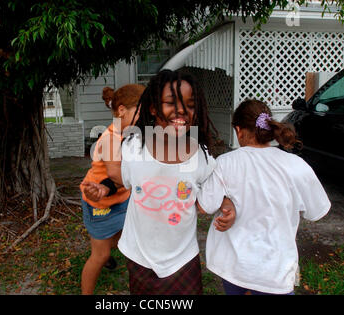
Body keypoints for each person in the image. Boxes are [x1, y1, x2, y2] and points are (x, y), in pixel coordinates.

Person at [87, 69, 235, 295]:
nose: (183, 110)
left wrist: (227, 204)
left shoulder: (200, 156)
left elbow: (212, 187)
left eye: (191, 104)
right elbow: (126, 180)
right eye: (170, 102)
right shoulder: (133, 147)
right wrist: (104, 186)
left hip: (182, 259)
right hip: (139, 255)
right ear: (153, 107)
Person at [197, 99, 331, 295]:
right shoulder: (297, 165)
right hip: (276, 273)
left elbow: (204, 205)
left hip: (234, 269)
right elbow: (317, 211)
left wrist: (226, 199)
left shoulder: (226, 163)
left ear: (238, 130)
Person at [79, 83, 145, 295]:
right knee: (100, 256)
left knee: (124, 239)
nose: (143, 119)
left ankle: (106, 248)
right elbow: (117, 175)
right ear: (122, 110)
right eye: (140, 113)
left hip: (121, 198)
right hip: (99, 200)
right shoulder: (110, 138)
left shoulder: (132, 134)